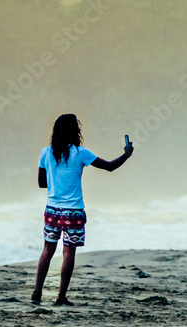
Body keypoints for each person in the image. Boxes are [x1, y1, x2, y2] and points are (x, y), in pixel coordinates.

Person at [32, 113, 133, 306]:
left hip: (52, 210)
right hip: (73, 211)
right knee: (68, 254)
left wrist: (57, 185)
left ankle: (37, 292)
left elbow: (41, 183)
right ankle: (61, 297)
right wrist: (126, 155)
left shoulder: (45, 152)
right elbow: (110, 167)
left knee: (47, 250)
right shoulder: (80, 153)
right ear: (74, 131)